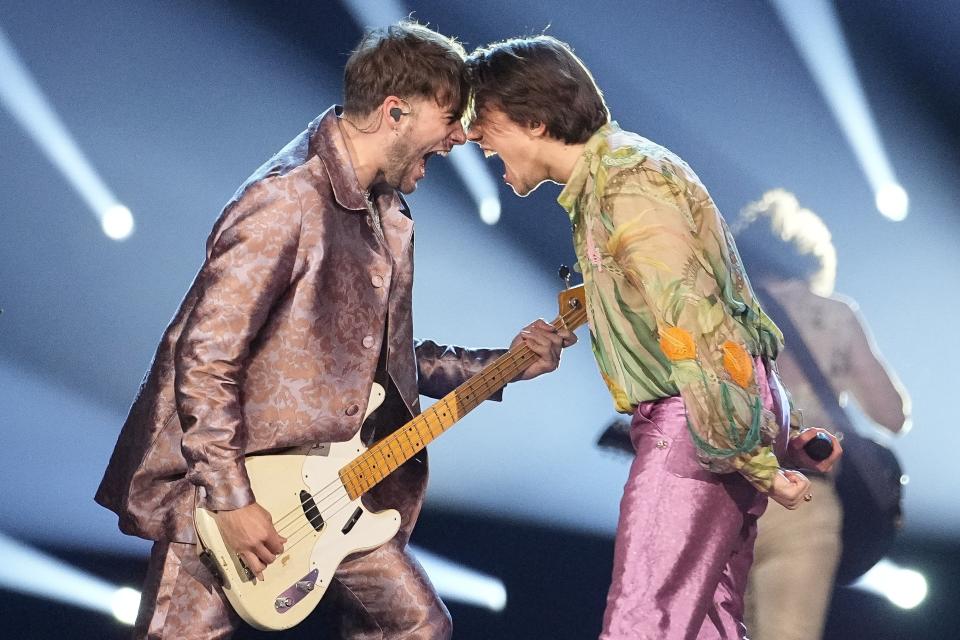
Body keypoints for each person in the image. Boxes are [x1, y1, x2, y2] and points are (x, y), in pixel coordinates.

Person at [95, 22, 573, 640]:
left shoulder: (389, 215)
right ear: (395, 111)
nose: (461, 137)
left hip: (332, 492)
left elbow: (387, 362)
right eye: (451, 116)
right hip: (218, 494)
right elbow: (207, 358)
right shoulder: (285, 202)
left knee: (417, 628)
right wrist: (233, 499)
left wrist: (502, 363)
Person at [465, 36, 841, 639]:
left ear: (533, 121)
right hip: (709, 418)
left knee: (643, 622)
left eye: (482, 123)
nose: (470, 138)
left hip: (698, 422)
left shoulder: (629, 181)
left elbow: (695, 321)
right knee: (705, 626)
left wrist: (753, 458)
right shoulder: (606, 186)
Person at [735, 190, 911, 640]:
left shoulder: (716, 312)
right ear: (810, 258)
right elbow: (892, 415)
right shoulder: (834, 316)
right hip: (803, 498)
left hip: (722, 495)